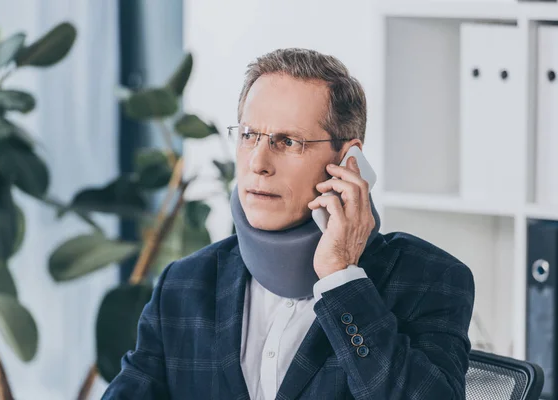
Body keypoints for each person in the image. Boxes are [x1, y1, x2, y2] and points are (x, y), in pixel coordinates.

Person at [102, 48, 475, 400]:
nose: (258, 162)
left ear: (349, 162)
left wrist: (341, 278)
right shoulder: (184, 286)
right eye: (249, 136)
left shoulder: (430, 279)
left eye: (288, 142)